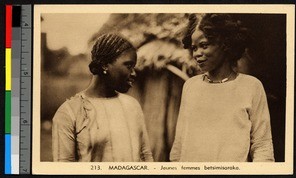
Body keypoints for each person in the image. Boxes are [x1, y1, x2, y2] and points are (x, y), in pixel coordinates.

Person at [170, 14, 275, 162]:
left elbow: (262, 145)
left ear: (225, 44)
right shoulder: (191, 86)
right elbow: (179, 144)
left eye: (204, 45)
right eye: (194, 48)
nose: (197, 54)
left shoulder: (251, 86)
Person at [52, 33, 153, 162]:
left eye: (134, 67)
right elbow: (63, 168)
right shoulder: (70, 112)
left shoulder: (132, 106)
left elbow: (145, 156)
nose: (133, 73)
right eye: (128, 66)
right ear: (105, 65)